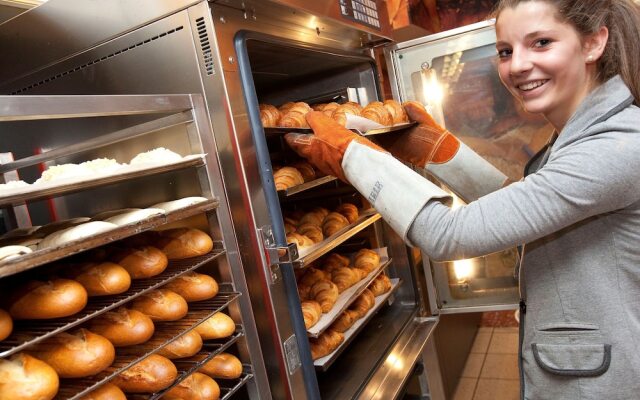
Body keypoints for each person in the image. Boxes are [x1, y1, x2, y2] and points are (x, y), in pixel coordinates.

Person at [285, 1, 640, 399]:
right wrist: (442, 152)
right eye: (506, 51)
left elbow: (448, 235)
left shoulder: (615, 146)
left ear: (593, 44)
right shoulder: (588, 133)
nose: (517, 66)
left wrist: (354, 156)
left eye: (541, 43)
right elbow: (529, 208)